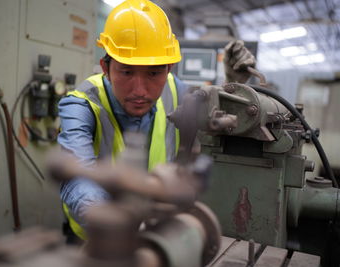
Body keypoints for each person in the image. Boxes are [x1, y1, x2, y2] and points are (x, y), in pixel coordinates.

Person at [57, 0, 256, 241]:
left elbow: (214, 113)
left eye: (153, 73)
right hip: (93, 242)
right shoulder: (81, 105)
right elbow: (77, 178)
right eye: (127, 72)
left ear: (169, 69)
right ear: (105, 68)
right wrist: (110, 222)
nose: (140, 90)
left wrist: (233, 88)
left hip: (157, 235)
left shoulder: (176, 91)